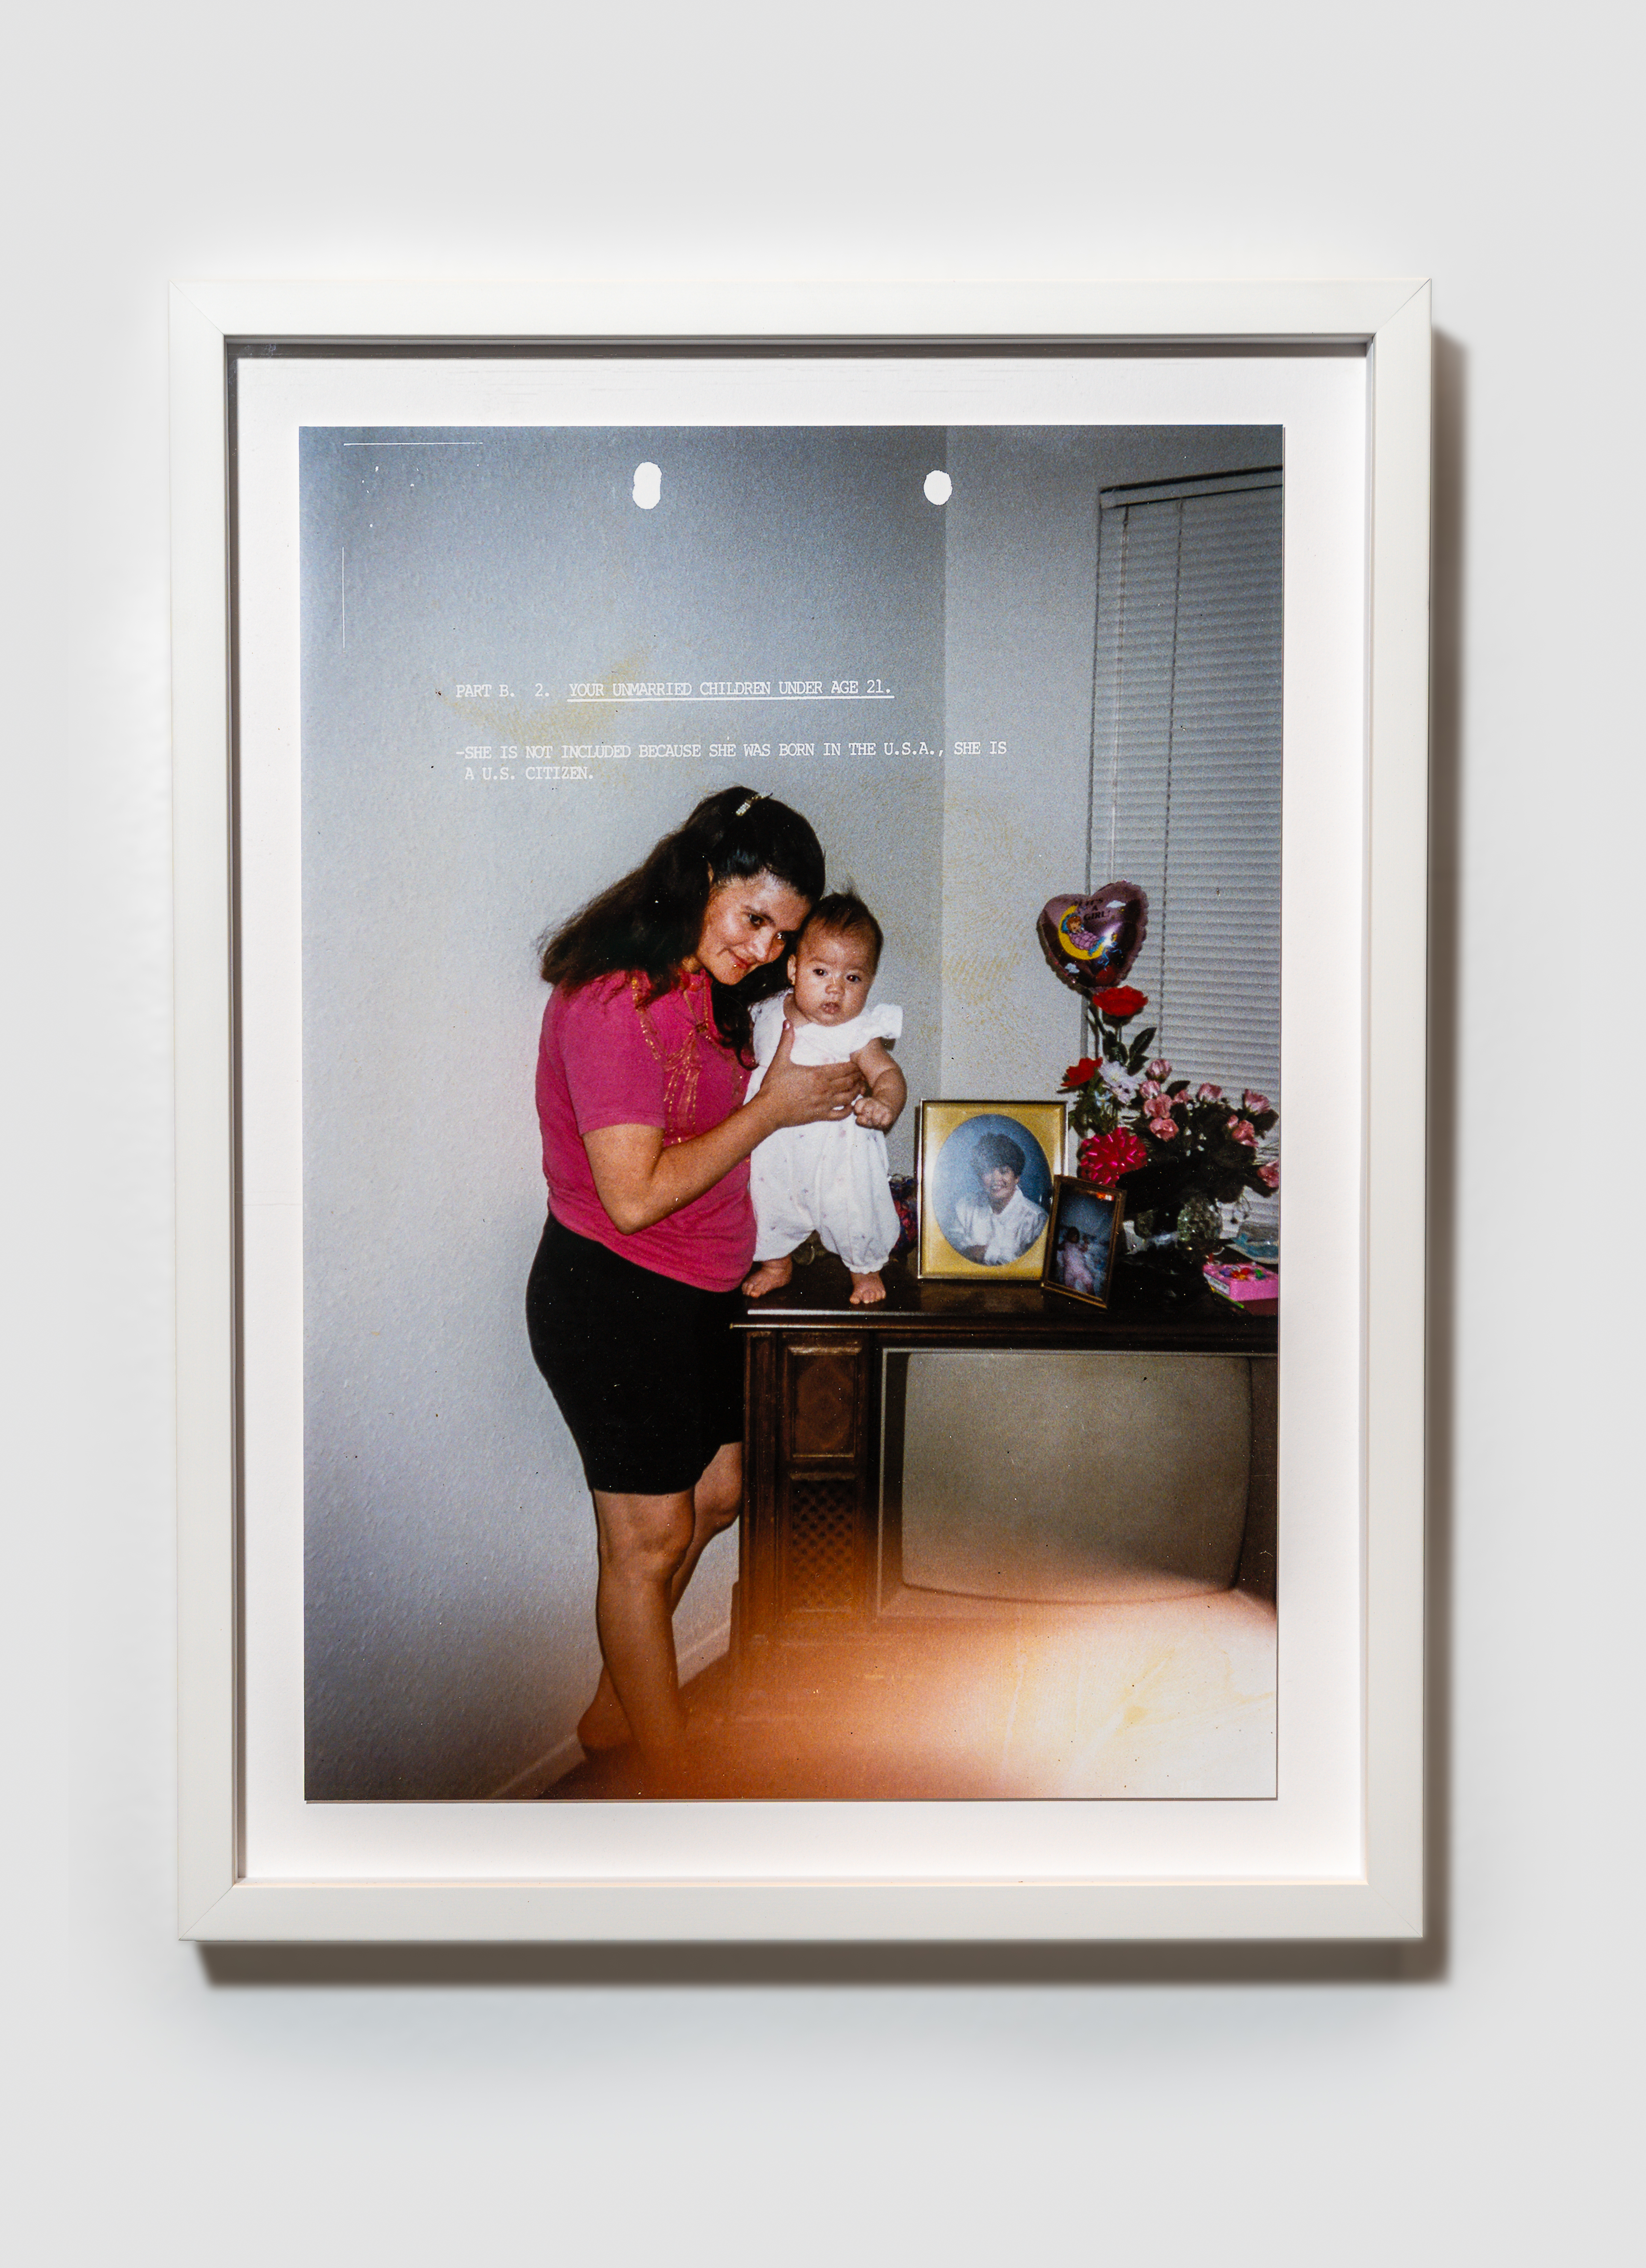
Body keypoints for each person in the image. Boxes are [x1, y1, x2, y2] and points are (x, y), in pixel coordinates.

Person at [526, 786, 864, 1789]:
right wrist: (772, 1111)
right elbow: (631, 1197)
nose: (765, 949)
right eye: (754, 916)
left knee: (717, 1494)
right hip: (613, 1292)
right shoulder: (611, 998)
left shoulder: (714, 989)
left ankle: (608, 1710)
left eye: (784, 932)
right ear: (705, 873)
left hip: (705, 1285)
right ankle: (673, 1781)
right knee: (648, 1540)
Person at [739, 892, 908, 1306]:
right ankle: (777, 1264)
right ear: (795, 969)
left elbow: (887, 1073)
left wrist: (885, 1102)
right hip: (775, 1145)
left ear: (870, 982)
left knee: (853, 1207)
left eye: (853, 978)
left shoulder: (857, 1032)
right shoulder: (765, 1012)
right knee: (766, 1200)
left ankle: (864, 1268)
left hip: (841, 1150)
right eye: (821, 971)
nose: (835, 988)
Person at [948, 1131, 1048, 1266]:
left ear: (1017, 1177)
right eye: (988, 1171)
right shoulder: (964, 1207)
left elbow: (1030, 1266)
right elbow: (954, 1249)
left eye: (1004, 1171)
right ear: (979, 1177)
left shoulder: (1037, 1220)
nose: (996, 1179)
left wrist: (986, 1252)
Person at [1055, 1224, 1096, 1295]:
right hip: (1070, 1267)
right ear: (1068, 1236)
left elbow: (1084, 1249)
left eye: (1076, 1235)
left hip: (1080, 1267)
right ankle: (1071, 1290)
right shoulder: (1066, 1244)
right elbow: (1058, 1247)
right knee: (1068, 1278)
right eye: (1072, 1235)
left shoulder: (1078, 1245)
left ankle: (1091, 1291)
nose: (1075, 1237)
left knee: (1087, 1277)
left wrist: (1086, 1243)